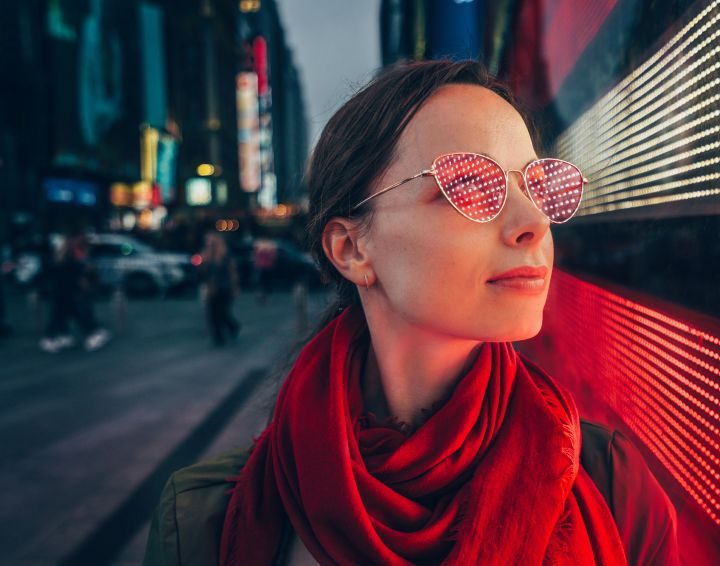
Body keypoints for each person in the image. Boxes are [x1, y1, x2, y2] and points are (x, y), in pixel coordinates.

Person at [144, 61, 679, 565]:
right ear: (351, 250)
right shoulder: (202, 521)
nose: (533, 223)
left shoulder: (616, 490)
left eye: (535, 185)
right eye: (469, 184)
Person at [39, 234, 110, 353]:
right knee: (66, 315)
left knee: (64, 315)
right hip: (65, 292)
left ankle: (65, 336)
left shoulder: (64, 257)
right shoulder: (64, 259)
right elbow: (71, 273)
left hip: (66, 292)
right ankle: (51, 339)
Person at [200, 232, 241, 346]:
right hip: (211, 288)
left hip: (224, 287)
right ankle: (218, 336)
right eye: (208, 242)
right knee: (212, 313)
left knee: (222, 312)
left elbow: (232, 272)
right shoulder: (206, 256)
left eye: (211, 242)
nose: (209, 244)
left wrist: (235, 287)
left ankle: (233, 327)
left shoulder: (224, 255)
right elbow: (203, 273)